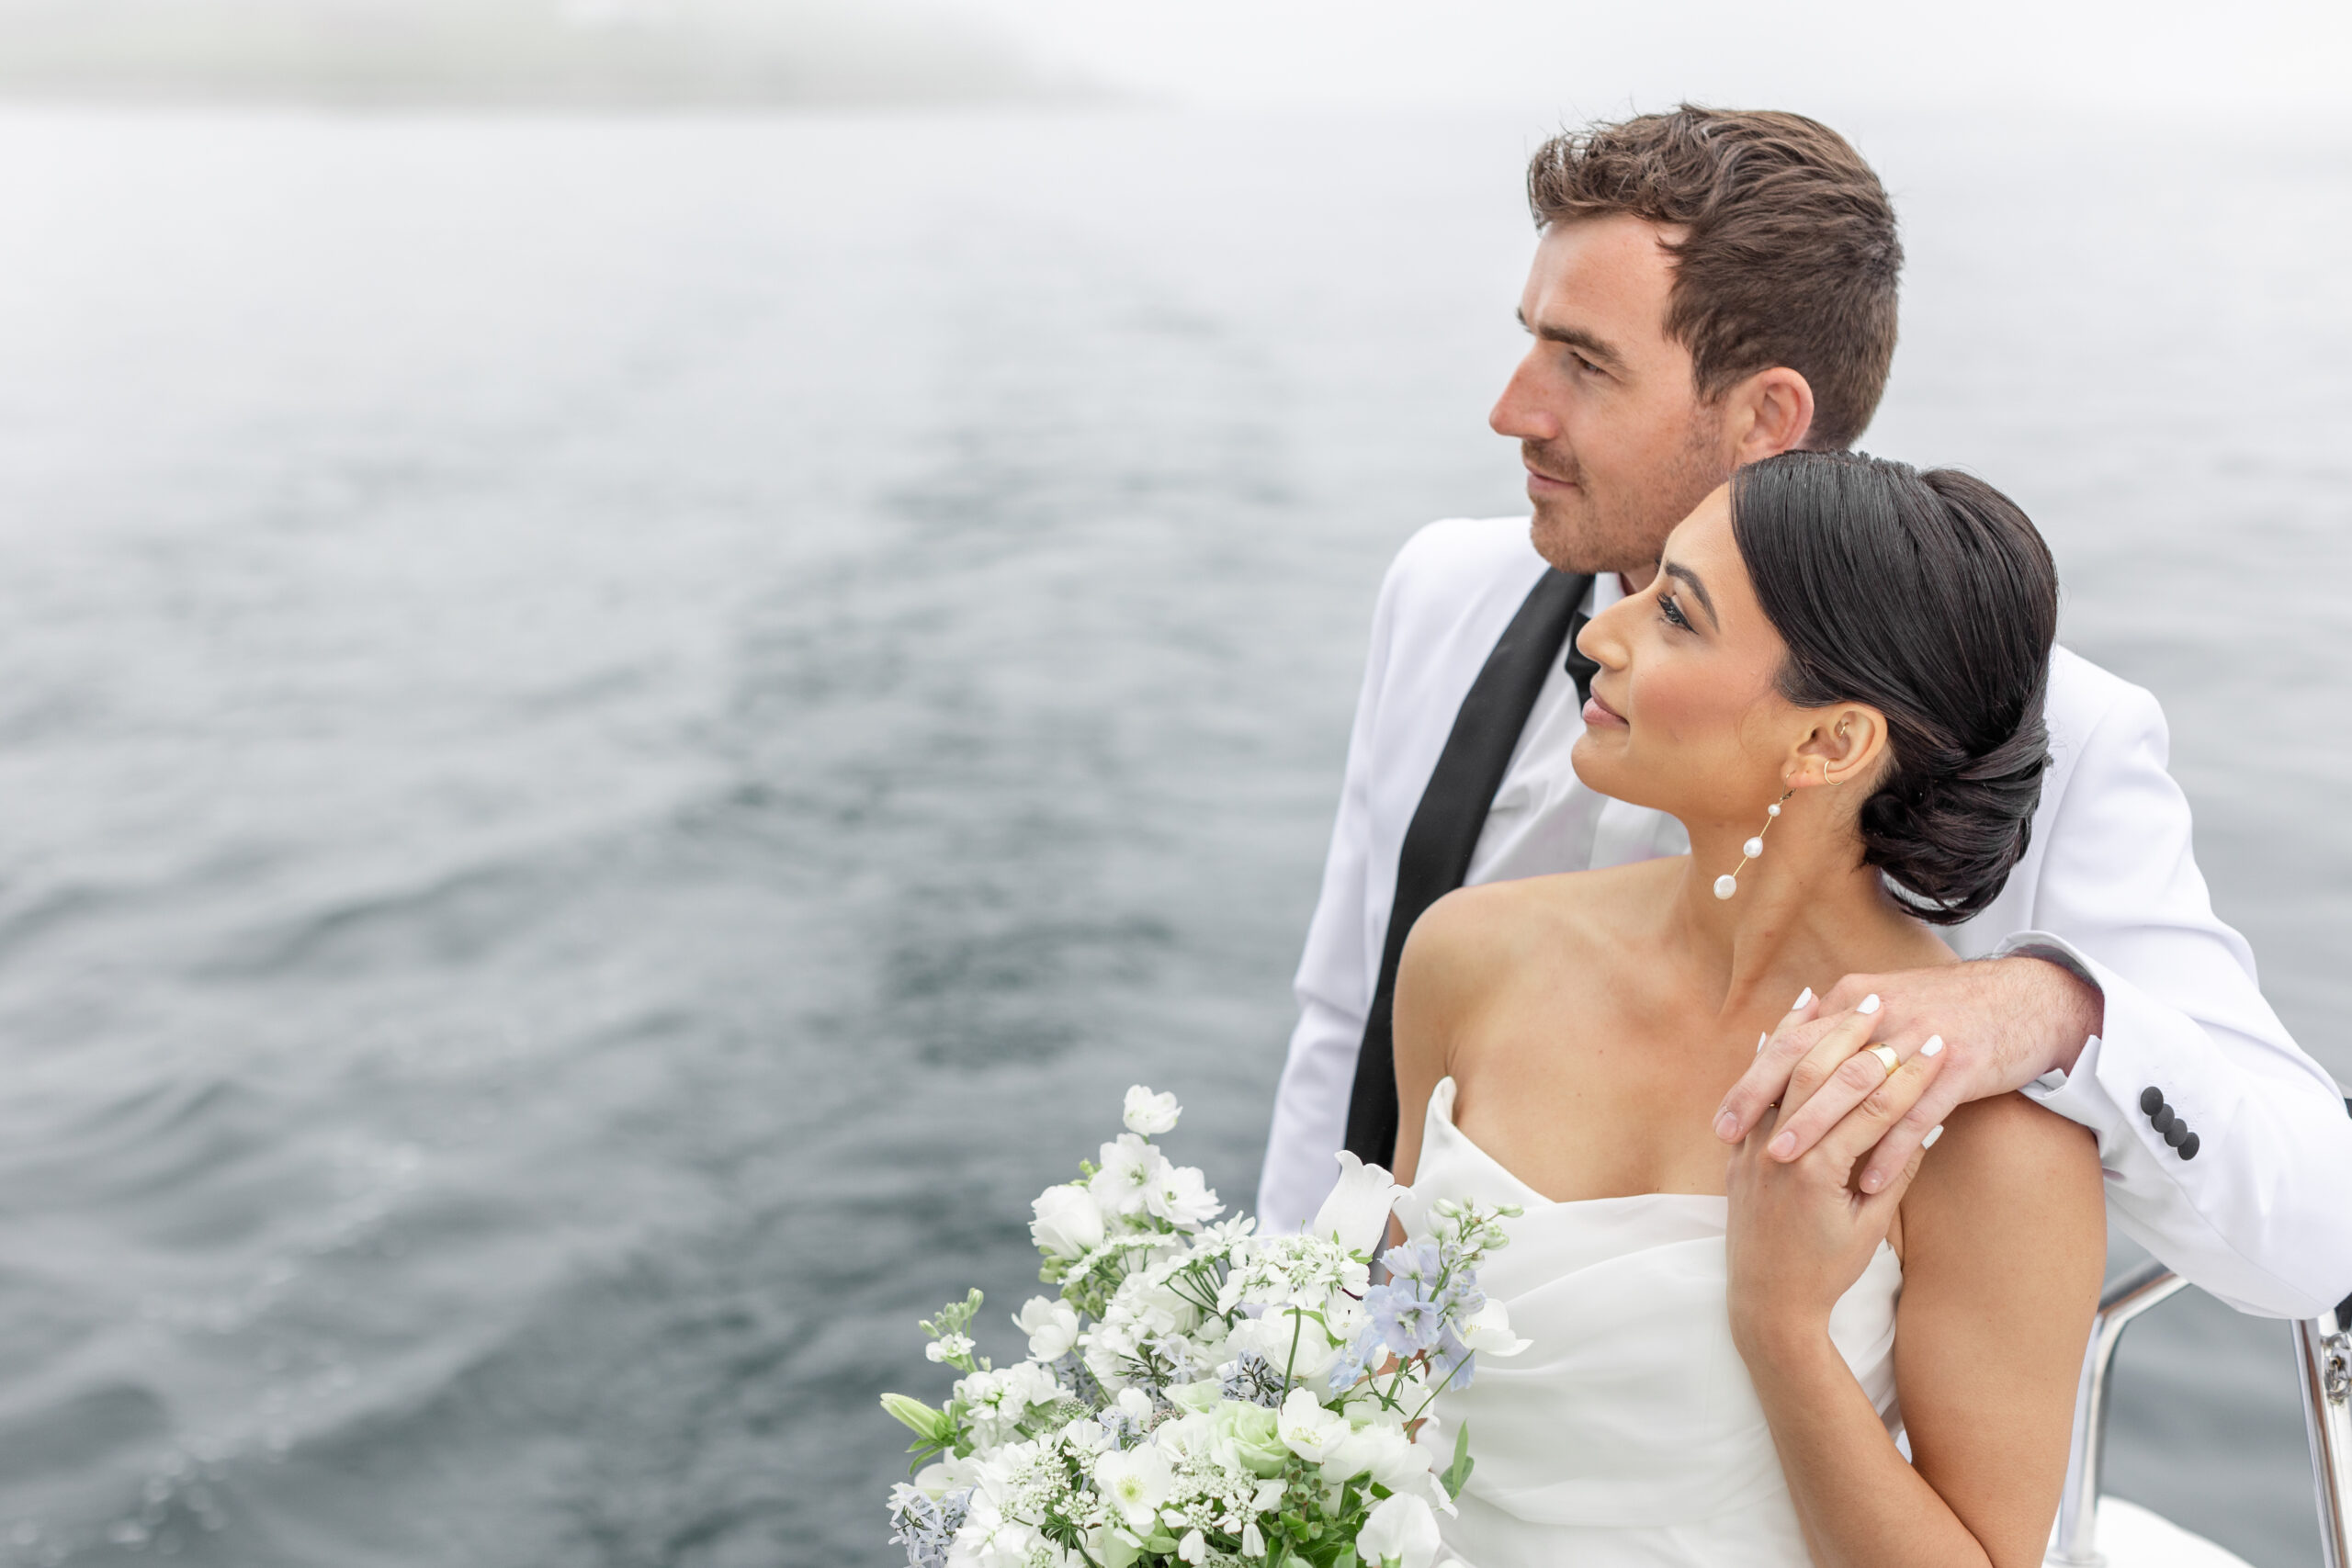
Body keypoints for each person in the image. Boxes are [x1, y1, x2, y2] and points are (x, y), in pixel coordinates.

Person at [1257, 106, 2352, 1320]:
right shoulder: (1442, 593)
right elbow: (1339, 1030)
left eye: (1585, 362)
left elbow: (2317, 1229)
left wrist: (2054, 1009)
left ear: (1768, 418)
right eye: (1530, 342)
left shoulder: (2056, 725)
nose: (1513, 409)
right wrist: (1265, 1385)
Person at [1390, 451, 2103, 1566]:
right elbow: (1389, 1380)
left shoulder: (1989, 1143)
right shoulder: (1467, 956)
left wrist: (1782, 1330)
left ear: (1830, 744)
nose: (1599, 634)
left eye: (1674, 613)